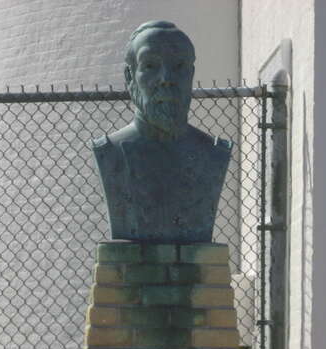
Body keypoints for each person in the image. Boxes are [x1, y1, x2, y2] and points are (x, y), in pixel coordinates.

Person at [93, 20, 232, 243]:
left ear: (191, 75)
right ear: (130, 77)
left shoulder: (214, 153)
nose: (166, 79)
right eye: (150, 66)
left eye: (179, 67)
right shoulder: (110, 153)